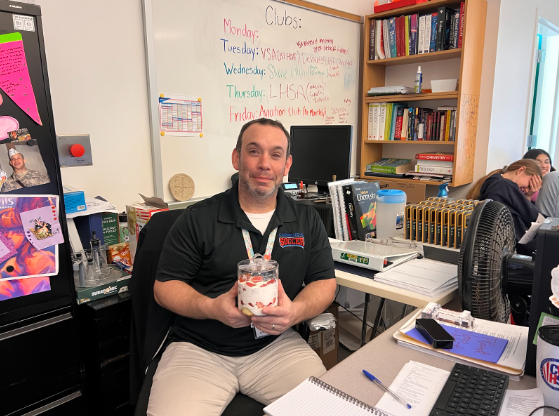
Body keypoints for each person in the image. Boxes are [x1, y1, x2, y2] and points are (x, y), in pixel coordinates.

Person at [149, 118, 337, 415]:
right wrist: (212, 308)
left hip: (275, 347)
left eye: (275, 155)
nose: (265, 163)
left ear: (287, 165)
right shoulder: (198, 218)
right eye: (254, 151)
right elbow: (164, 288)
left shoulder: (306, 220)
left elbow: (325, 282)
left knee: (327, 410)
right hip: (199, 349)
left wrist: (295, 313)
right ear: (237, 158)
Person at [467, 159, 542, 254]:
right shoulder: (502, 184)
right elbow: (533, 217)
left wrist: (528, 196)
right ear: (521, 170)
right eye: (530, 183)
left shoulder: (497, 184)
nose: (528, 189)